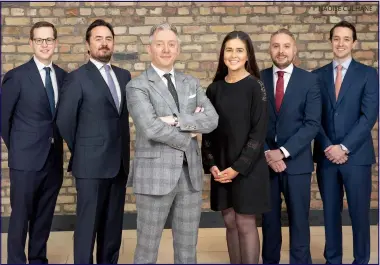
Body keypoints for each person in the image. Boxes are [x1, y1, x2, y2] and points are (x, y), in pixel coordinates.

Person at [125, 22, 219, 264]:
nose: (166, 49)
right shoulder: (137, 86)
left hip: (190, 177)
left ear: (178, 49)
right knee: (147, 249)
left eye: (171, 44)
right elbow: (151, 128)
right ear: (150, 49)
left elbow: (211, 120)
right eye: (160, 44)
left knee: (188, 250)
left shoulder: (191, 83)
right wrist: (189, 132)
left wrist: (176, 119)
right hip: (155, 176)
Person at [55, 19, 131, 264]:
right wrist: (85, 150)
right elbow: (64, 121)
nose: (104, 43)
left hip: (118, 164)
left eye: (108, 39)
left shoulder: (124, 76)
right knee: (88, 227)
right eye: (98, 39)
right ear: (88, 45)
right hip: (90, 166)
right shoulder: (77, 78)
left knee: (112, 227)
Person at [312, 21, 379, 264]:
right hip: (326, 155)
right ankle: (333, 260)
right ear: (330, 41)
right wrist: (329, 146)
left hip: (356, 156)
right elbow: (312, 118)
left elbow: (368, 116)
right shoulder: (317, 76)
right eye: (336, 38)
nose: (341, 43)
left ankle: (361, 260)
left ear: (354, 43)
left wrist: (344, 147)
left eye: (346, 39)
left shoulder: (368, 74)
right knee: (330, 213)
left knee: (359, 214)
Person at [201, 31, 271, 264]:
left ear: (248, 55)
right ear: (222, 55)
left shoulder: (255, 87)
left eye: (239, 50)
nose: (233, 55)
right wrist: (212, 165)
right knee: (229, 221)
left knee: (244, 222)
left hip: (247, 168)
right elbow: (208, 133)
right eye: (229, 50)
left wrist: (238, 168)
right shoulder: (214, 89)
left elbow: (258, 133)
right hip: (221, 168)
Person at [1, 21, 67, 264]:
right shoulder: (16, 77)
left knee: (44, 216)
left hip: (53, 160)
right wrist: (19, 148)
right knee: (20, 217)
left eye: (49, 39)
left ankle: (38, 260)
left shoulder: (62, 76)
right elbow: (3, 121)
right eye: (39, 40)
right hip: (26, 161)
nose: (45, 44)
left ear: (56, 43)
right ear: (31, 43)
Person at [260, 28, 321, 264]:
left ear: (294, 49)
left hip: (297, 163)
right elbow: (253, 123)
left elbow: (312, 124)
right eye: (276, 45)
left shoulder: (310, 80)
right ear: (270, 49)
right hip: (265, 164)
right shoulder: (258, 78)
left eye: (286, 46)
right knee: (269, 221)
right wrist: (268, 152)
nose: (281, 51)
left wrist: (282, 153)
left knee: (299, 220)